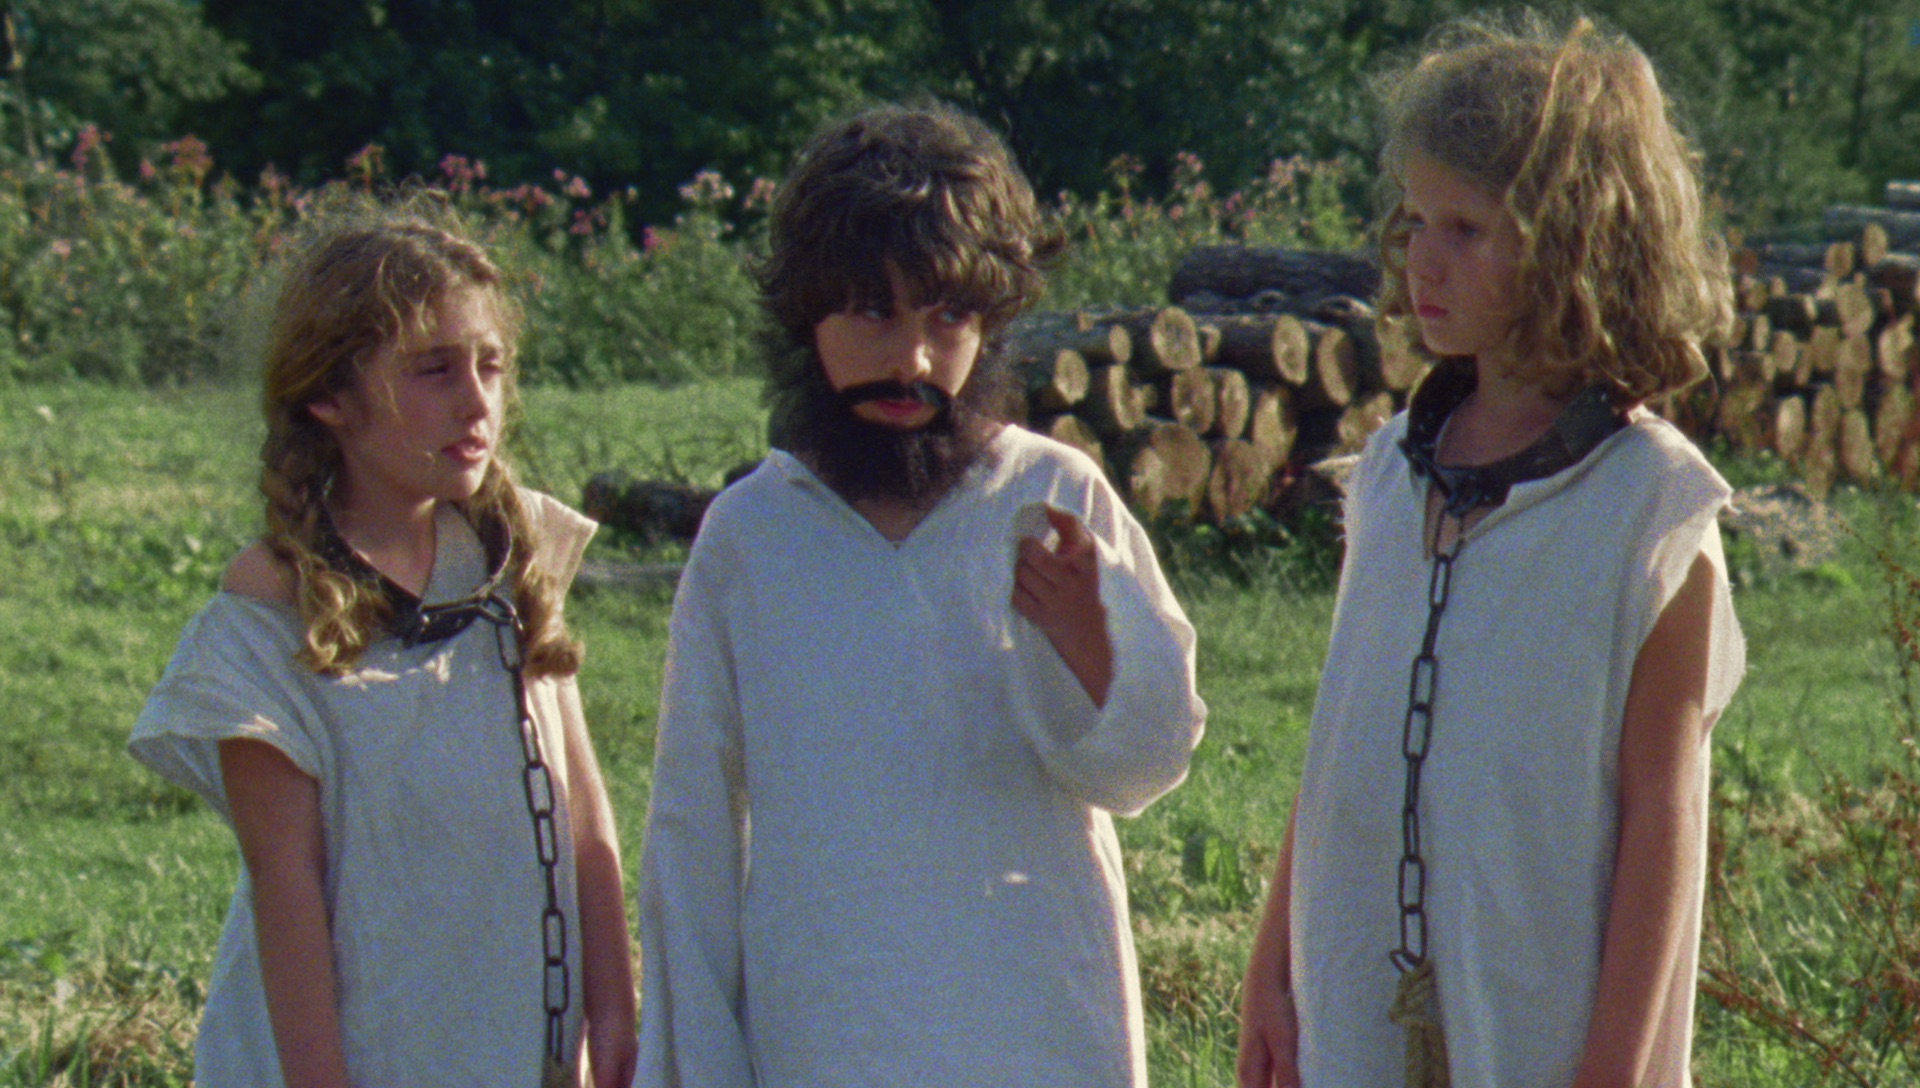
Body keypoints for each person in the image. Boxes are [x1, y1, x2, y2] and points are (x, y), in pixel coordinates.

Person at [634, 102, 1207, 1088]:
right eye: (874, 311)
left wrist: (1091, 648)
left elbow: (1148, 766)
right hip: (824, 1029)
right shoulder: (751, 536)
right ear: (806, 312)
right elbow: (692, 832)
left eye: (948, 315)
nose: (912, 359)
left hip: (1039, 1022)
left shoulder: (1051, 499)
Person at [1236, 16, 1746, 1088]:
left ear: (1572, 243)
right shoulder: (1389, 473)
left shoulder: (1652, 511)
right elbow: (1343, 745)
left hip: (1539, 1011)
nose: (1424, 257)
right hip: (1355, 1004)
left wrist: (1613, 1067)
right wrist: (1273, 966)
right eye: (1418, 220)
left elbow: (1663, 816)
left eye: (1467, 228)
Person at [128, 196, 637, 1088]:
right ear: (330, 395)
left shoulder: (513, 557)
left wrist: (613, 1008)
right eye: (435, 370)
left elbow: (584, 814)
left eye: (491, 365)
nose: (478, 401)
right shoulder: (268, 622)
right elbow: (287, 897)